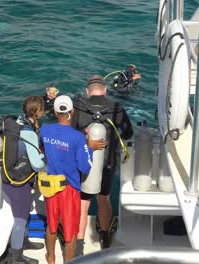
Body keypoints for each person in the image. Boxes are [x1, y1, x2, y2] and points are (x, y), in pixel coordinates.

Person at [71, 75, 133, 253]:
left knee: (83, 203)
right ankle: (104, 237)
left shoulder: (79, 108)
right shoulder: (117, 109)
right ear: (105, 90)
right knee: (103, 199)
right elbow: (128, 133)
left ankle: (80, 245)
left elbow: (72, 135)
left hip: (84, 162)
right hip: (108, 162)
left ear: (87, 91)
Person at [39, 95, 93, 263]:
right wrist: (89, 147)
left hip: (50, 185)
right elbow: (85, 167)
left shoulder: (44, 129)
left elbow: (42, 148)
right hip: (69, 188)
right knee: (70, 233)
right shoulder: (78, 137)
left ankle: (51, 257)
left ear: (55, 112)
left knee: (52, 224)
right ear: (72, 111)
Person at [2, 96, 46, 264]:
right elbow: (36, 164)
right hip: (19, 182)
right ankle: (17, 256)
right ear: (39, 112)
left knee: (25, 210)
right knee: (20, 218)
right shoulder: (29, 132)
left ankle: (25, 241)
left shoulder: (17, 123)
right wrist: (45, 160)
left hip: (9, 177)